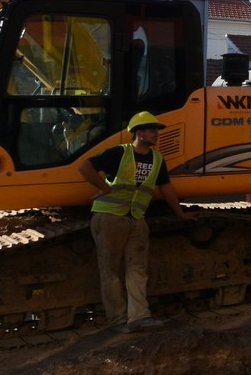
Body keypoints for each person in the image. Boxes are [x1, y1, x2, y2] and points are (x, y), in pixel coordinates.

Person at [77, 111, 187, 333]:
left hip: (137, 219)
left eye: (156, 129)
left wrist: (180, 213)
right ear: (138, 132)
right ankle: (117, 321)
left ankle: (139, 317)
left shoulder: (157, 159)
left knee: (137, 269)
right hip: (110, 217)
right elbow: (84, 167)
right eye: (151, 129)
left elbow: (166, 188)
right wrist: (105, 187)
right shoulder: (119, 153)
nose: (156, 133)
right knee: (111, 271)